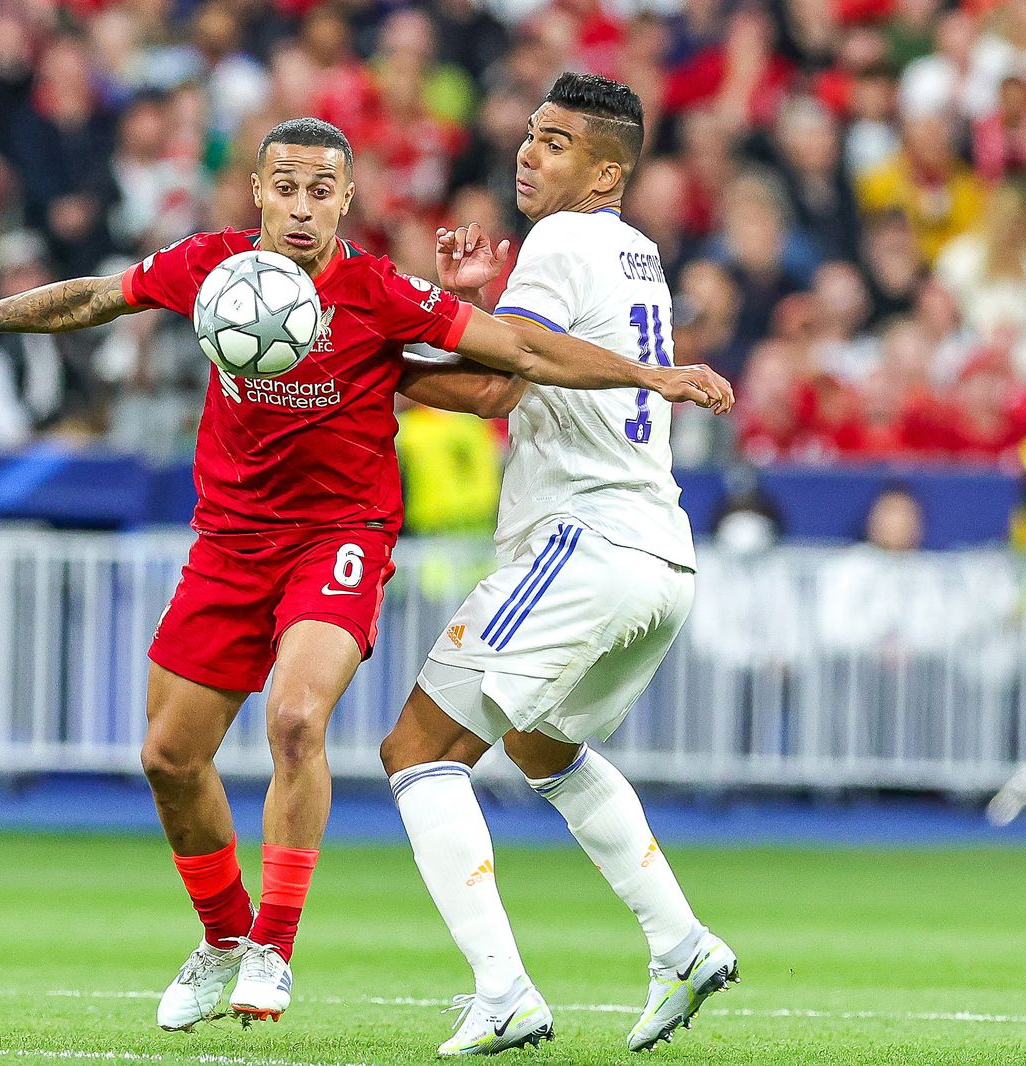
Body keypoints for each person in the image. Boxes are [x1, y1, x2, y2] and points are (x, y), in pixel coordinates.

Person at [0, 116, 732, 1033]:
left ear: (347, 199)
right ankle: (223, 941)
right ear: (257, 192)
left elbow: (518, 356)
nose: (300, 207)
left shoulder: (379, 289)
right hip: (230, 539)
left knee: (297, 719)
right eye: (284, 188)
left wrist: (653, 374)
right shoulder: (212, 267)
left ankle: (274, 952)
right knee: (169, 756)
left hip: (342, 533)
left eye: (320, 191)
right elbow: (97, 298)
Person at [376, 74, 740, 1057]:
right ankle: (679, 941)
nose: (530, 153)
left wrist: (376, 364)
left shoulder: (563, 241)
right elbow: (521, 358)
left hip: (582, 541)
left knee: (416, 751)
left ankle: (500, 991)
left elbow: (502, 379)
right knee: (538, 747)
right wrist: (464, 307)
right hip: (659, 557)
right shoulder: (635, 251)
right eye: (531, 135)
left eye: (558, 142)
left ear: (606, 171)